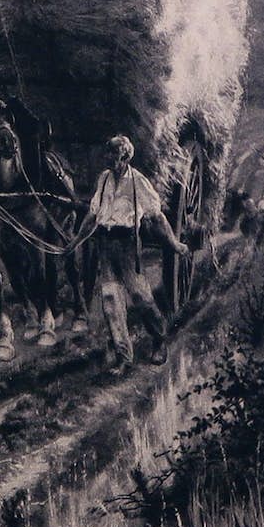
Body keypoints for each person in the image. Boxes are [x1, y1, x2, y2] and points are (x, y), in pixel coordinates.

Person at [85, 135, 189, 371]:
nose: (107, 157)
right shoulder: (104, 179)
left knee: (140, 297)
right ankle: (123, 357)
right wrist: (76, 240)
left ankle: (160, 340)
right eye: (107, 153)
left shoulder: (138, 182)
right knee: (111, 301)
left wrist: (173, 243)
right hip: (105, 244)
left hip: (127, 246)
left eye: (111, 154)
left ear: (124, 157)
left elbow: (157, 216)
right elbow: (92, 214)